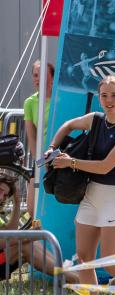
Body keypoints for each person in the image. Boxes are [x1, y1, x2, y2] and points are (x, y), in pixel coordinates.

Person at [46, 75, 115, 295]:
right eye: (104, 95)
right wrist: (53, 147)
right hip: (91, 194)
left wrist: (70, 162)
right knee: (85, 258)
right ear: (99, 97)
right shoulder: (95, 119)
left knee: (110, 261)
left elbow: (106, 166)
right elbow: (68, 125)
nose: (109, 100)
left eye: (114, 95)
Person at [22, 60, 53, 221]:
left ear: (52, 77)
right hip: (42, 160)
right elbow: (32, 137)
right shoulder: (30, 102)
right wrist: (40, 162)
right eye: (35, 75)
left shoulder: (60, 98)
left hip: (60, 155)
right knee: (32, 208)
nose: (38, 79)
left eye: (42, 75)